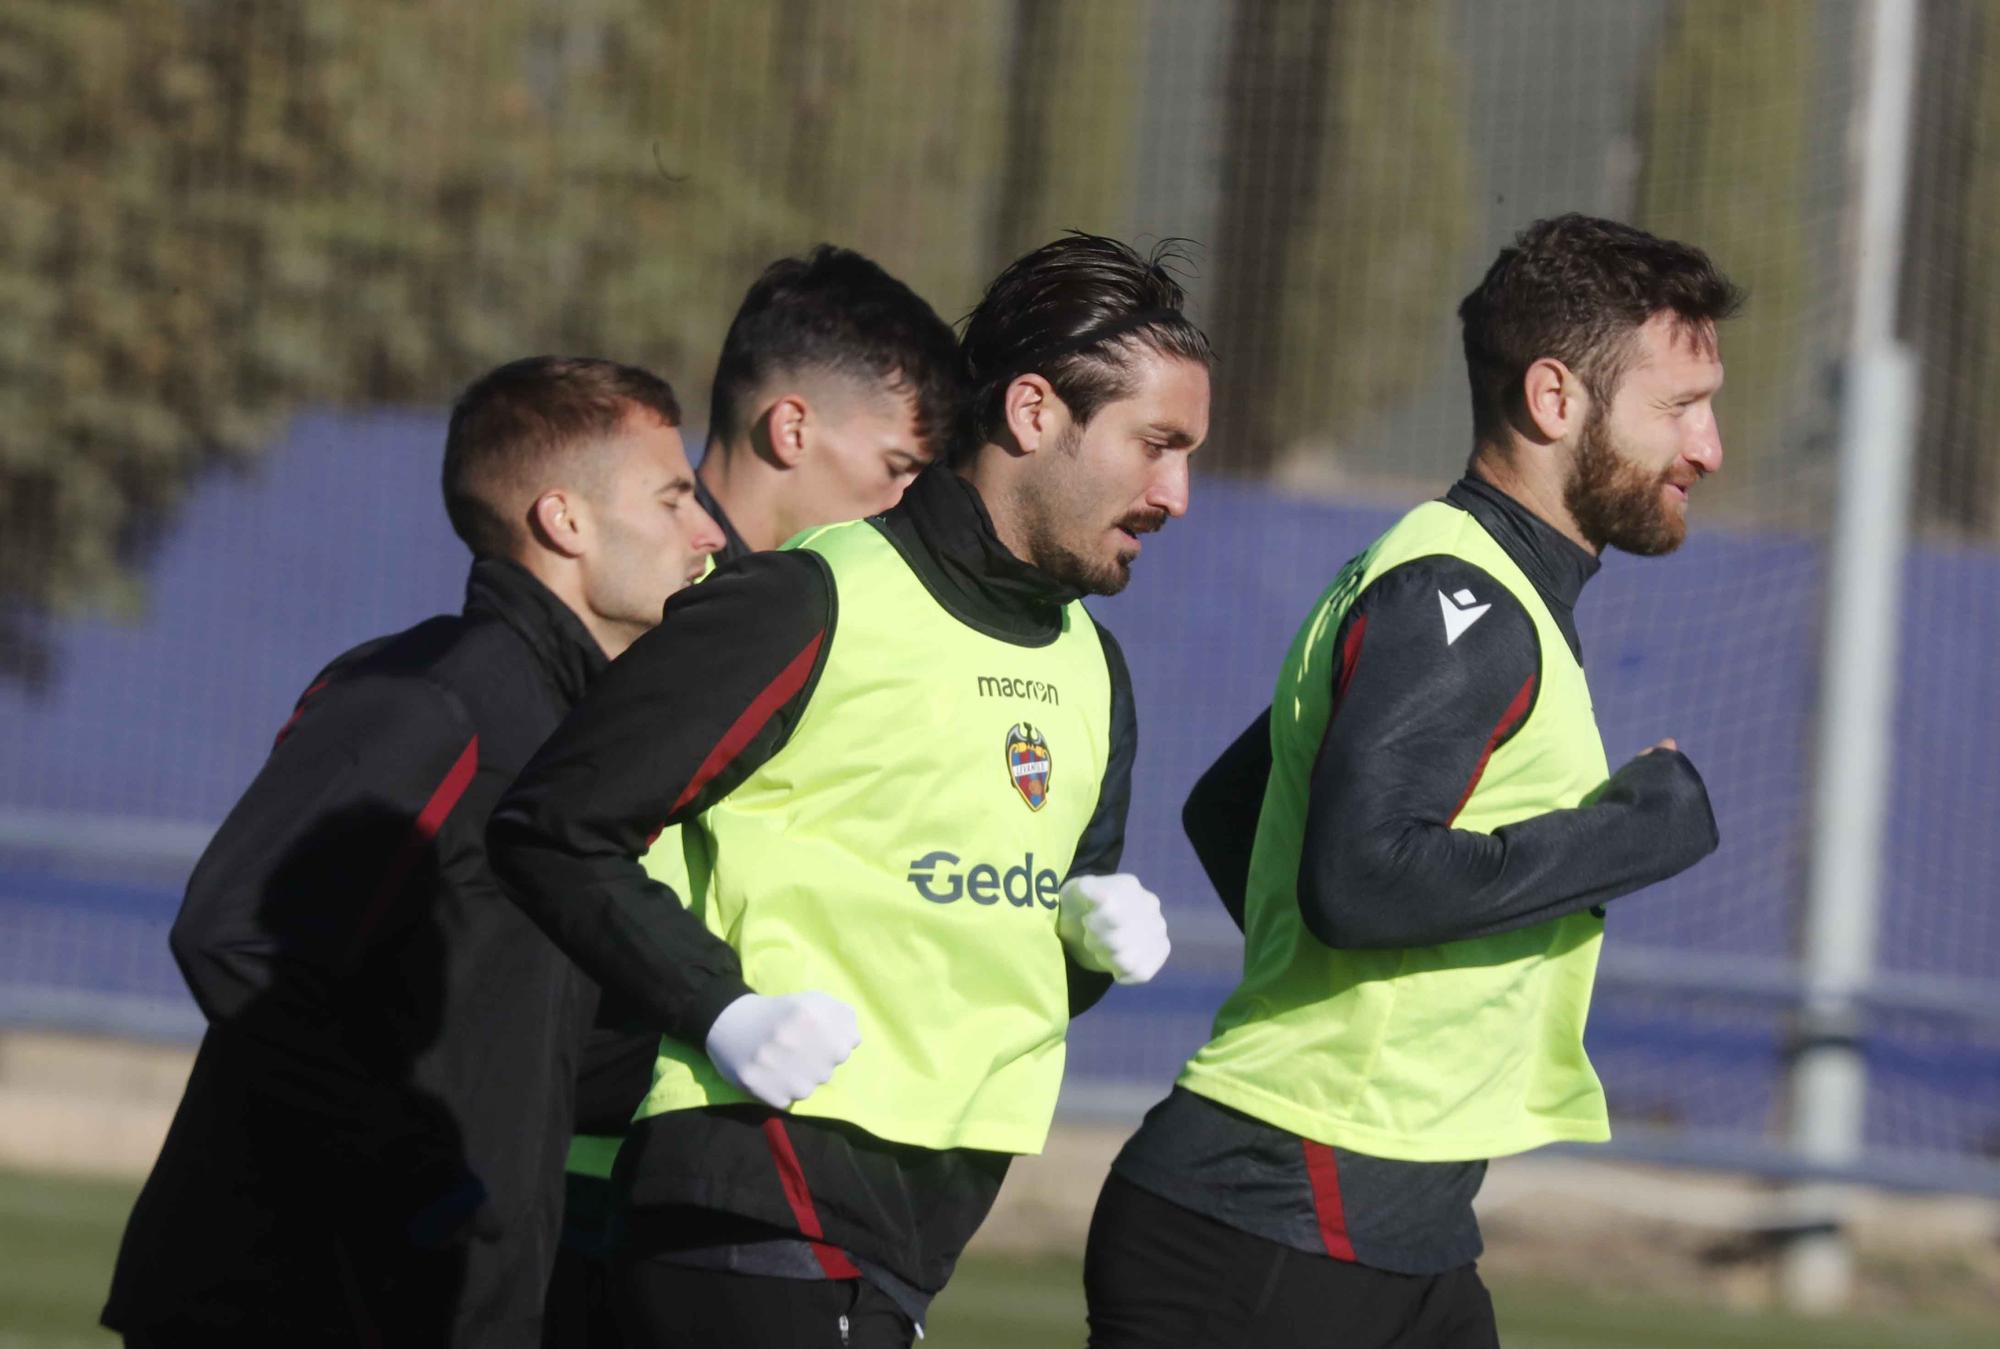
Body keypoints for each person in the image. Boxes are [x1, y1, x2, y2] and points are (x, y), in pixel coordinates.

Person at [489, 231, 1211, 1348]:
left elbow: (992, 964)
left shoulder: (1091, 666)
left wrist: (1080, 943)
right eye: (1154, 444)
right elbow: (553, 825)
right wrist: (719, 1007)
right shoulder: (806, 601)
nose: (1176, 493)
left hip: (903, 1244)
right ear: (1030, 414)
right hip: (752, 1210)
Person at [1084, 214, 1740, 1349]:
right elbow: (1361, 876)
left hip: (1375, 1226)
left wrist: (1351, 996)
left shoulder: (1465, 580)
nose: (1708, 445)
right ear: (1553, 399)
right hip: (1275, 1225)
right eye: (1677, 407)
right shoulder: (1463, 597)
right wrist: (1636, 829)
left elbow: (1233, 805)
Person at [102, 357, 723, 1348]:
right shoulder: (439, 696)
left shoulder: (569, 731)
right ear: (565, 520)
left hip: (450, 1298)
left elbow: (513, 1035)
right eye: (675, 494)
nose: (706, 531)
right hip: (299, 1301)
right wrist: (429, 1180)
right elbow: (238, 940)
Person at [549, 244, 965, 1348]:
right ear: (790, 429)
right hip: (580, 1186)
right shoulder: (643, 620)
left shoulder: (834, 630)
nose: (910, 500)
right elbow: (539, 859)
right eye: (896, 464)